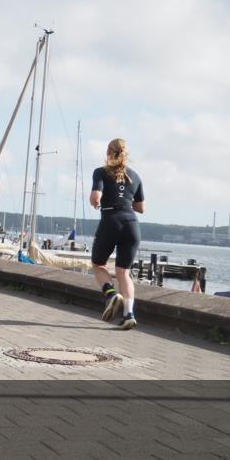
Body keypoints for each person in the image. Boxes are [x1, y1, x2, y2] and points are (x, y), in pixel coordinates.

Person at [90, 138, 145, 330]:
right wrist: (125, 197)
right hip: (131, 224)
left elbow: (96, 197)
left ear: (108, 152)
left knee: (98, 264)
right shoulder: (135, 176)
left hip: (111, 220)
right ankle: (129, 314)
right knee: (124, 272)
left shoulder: (100, 172)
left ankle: (111, 294)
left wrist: (97, 200)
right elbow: (141, 207)